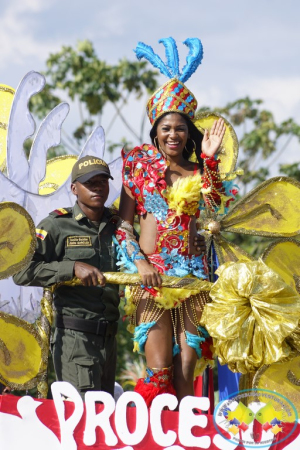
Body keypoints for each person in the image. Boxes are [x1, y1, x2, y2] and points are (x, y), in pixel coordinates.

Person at [115, 37, 236, 406]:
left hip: (193, 277)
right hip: (151, 277)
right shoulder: (137, 166)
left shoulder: (200, 171)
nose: (173, 135)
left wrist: (211, 160)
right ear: (156, 131)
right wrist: (139, 262)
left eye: (180, 129)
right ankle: (156, 436)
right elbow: (123, 226)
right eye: (166, 128)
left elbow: (216, 202)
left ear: (188, 134)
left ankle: (189, 439)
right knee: (159, 369)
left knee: (188, 366)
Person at [13, 156, 121, 399]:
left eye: (102, 182)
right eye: (89, 183)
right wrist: (70, 268)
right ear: (74, 188)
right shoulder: (56, 225)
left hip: (110, 337)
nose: (97, 188)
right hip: (75, 338)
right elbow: (21, 272)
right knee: (81, 419)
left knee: (102, 421)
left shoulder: (118, 225)